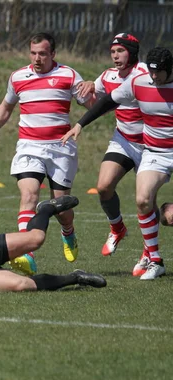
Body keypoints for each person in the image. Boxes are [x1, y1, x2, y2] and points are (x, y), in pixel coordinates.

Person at [0, 32, 91, 276]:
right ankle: (26, 254)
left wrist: (94, 89)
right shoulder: (18, 77)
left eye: (43, 54)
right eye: (33, 53)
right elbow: (5, 109)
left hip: (61, 149)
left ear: (53, 54)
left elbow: (93, 104)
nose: (37, 59)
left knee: (61, 209)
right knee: (29, 196)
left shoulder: (68, 75)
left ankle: (68, 231)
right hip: (29, 147)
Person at [61, 47, 173, 281]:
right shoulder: (139, 83)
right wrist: (81, 124)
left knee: (169, 216)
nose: (154, 78)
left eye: (159, 73)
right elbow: (108, 102)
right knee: (142, 200)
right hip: (155, 153)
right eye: (152, 73)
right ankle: (155, 260)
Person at [75, 34, 149, 266]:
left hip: (151, 145)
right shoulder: (108, 75)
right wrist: (87, 87)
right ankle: (117, 228)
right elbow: (93, 99)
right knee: (104, 187)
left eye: (121, 51)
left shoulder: (147, 73)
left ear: (132, 52)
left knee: (146, 201)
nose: (115, 56)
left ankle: (150, 252)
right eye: (113, 52)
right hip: (124, 141)